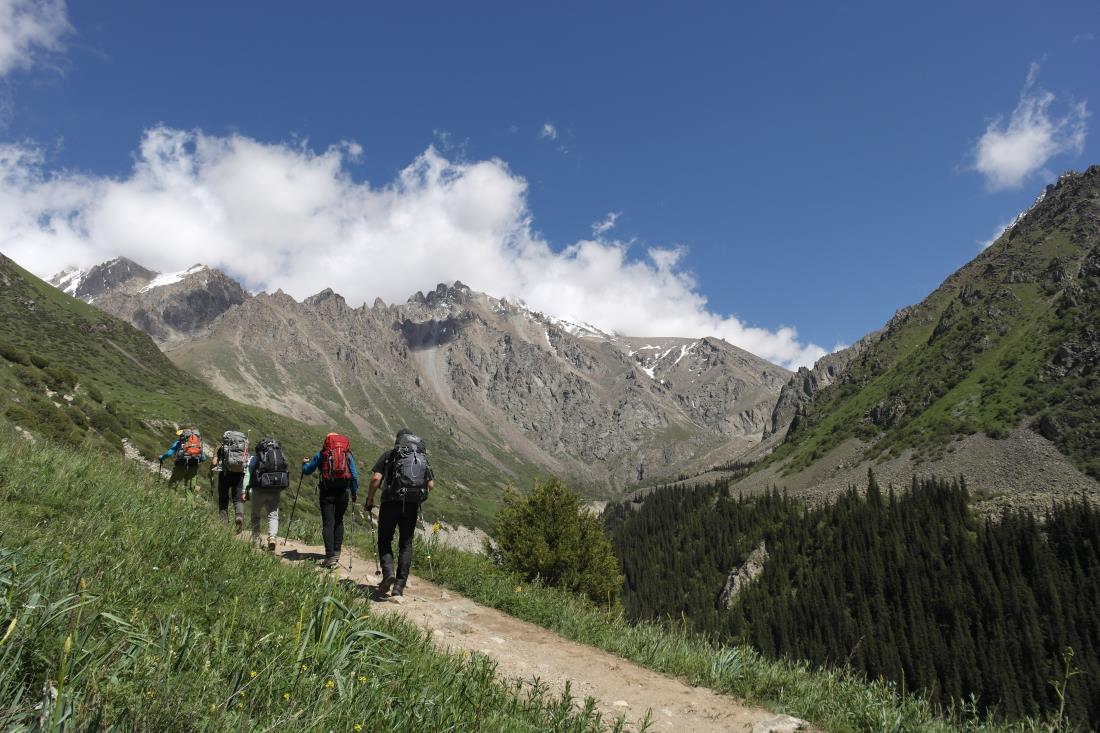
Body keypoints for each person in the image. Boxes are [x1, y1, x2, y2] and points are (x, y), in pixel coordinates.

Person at [366, 429, 434, 597]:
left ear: (398, 441)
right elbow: (431, 485)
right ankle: (399, 586)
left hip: (390, 502)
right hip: (411, 505)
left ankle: (388, 573)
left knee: (384, 539)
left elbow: (376, 479)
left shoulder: (389, 455)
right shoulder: (421, 457)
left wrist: (370, 499)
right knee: (406, 544)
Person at [302, 433, 359, 569]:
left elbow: (308, 471)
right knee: (339, 521)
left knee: (328, 523)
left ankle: (330, 556)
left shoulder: (322, 454)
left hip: (327, 491)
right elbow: (354, 474)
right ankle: (336, 553)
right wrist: (354, 492)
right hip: (343, 492)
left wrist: (304, 464)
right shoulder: (347, 454)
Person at [248, 437, 290, 551]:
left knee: (255, 515)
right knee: (273, 515)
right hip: (275, 489)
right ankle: (272, 537)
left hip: (259, 489)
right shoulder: (280, 455)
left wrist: (246, 489)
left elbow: (249, 472)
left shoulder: (256, 457)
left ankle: (256, 540)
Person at [210, 430, 249, 532]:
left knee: (223, 499)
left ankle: (223, 525)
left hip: (225, 474)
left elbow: (214, 463)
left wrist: (210, 472)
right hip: (240, 474)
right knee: (237, 499)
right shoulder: (243, 446)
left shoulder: (221, 446)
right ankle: (239, 517)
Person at [159, 427, 205, 491]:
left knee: (172, 486)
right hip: (193, 467)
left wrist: (162, 458)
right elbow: (203, 458)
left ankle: (170, 496)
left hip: (181, 465)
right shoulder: (198, 444)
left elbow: (169, 453)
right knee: (190, 490)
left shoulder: (179, 443)